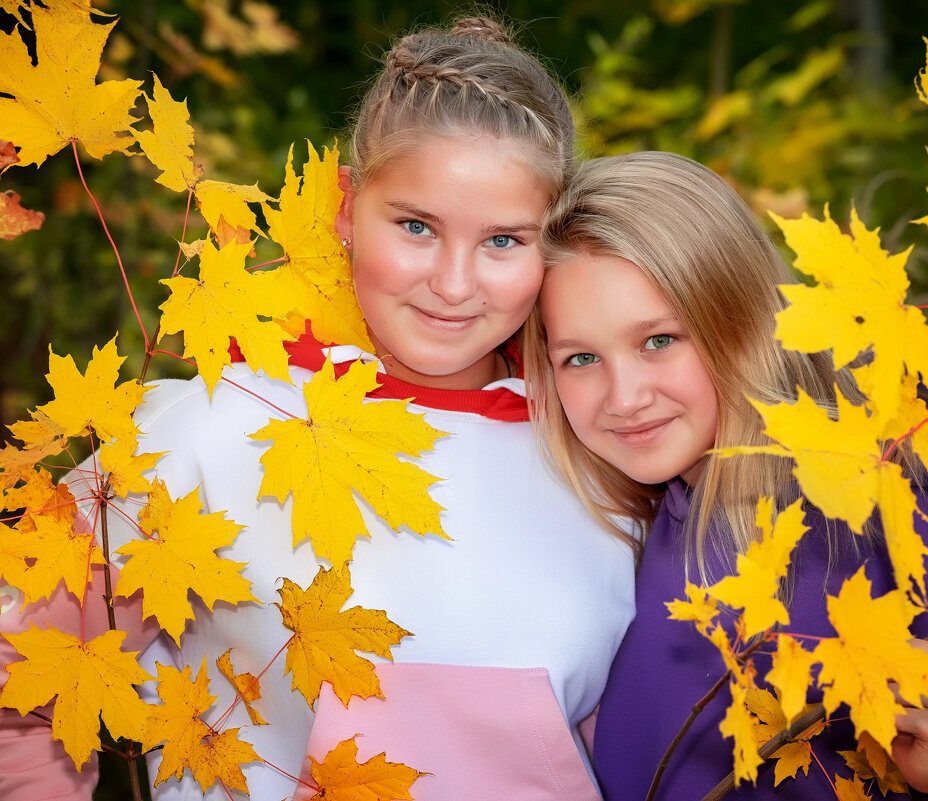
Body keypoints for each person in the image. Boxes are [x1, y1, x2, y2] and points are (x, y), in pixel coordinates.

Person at [0, 18, 635, 801]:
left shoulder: (602, 457)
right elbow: (21, 685)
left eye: (504, 240)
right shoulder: (206, 424)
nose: (453, 281)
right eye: (415, 226)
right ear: (344, 208)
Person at [522, 151, 928, 800]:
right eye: (581, 357)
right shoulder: (623, 510)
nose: (623, 396)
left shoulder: (877, 515)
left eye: (658, 340)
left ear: (737, 322)